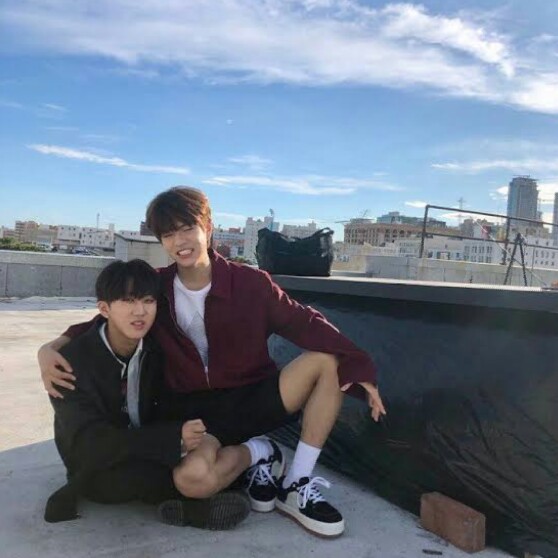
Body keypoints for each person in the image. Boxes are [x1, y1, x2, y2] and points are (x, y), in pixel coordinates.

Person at [39, 187, 386, 538]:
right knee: (193, 480)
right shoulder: (158, 287)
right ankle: (259, 453)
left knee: (327, 361)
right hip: (197, 414)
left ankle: (296, 483)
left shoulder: (251, 284)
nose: (179, 241)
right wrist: (53, 347)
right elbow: (109, 319)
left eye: (187, 228)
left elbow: (305, 322)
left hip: (253, 399)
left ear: (207, 226)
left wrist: (360, 365)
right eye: (168, 234)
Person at [44, 258, 250, 530]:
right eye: (128, 301)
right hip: (102, 462)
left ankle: (249, 459)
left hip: (148, 447)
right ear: (104, 308)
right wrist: (170, 438)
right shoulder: (68, 364)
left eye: (148, 301)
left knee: (198, 459)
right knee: (110, 485)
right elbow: (88, 446)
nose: (139, 311)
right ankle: (199, 505)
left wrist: (184, 434)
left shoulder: (156, 347)